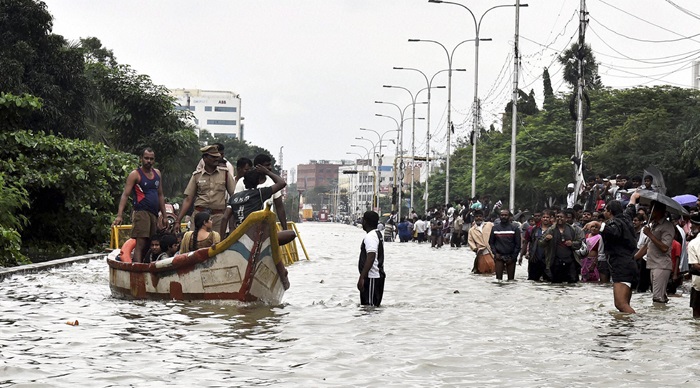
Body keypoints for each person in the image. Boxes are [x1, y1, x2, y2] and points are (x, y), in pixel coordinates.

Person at [113, 148, 167, 263]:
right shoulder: (135, 175)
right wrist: (119, 215)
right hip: (141, 212)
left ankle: (146, 265)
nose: (149, 161)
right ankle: (137, 267)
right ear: (141, 159)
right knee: (140, 243)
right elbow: (125, 195)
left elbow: (160, 195)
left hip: (154, 214)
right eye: (146, 158)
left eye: (151, 159)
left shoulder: (157, 173)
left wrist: (165, 215)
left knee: (151, 243)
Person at [221, 164, 296, 246]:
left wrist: (221, 241)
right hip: (256, 236)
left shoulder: (233, 197)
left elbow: (225, 218)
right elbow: (282, 183)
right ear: (258, 181)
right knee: (291, 234)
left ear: (244, 181)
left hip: (239, 236)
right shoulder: (259, 193)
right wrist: (267, 172)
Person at [585, 200, 639, 313]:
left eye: (605, 210)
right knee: (625, 304)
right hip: (631, 264)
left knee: (620, 304)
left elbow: (614, 232)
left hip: (621, 266)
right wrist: (633, 199)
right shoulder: (627, 218)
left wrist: (599, 225)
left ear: (609, 212)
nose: (604, 212)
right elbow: (630, 210)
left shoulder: (615, 223)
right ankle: (627, 329)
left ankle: (638, 325)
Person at [175, 145, 235, 234]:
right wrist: (178, 221)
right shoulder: (197, 175)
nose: (216, 159)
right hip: (199, 216)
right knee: (195, 243)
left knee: (217, 244)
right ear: (205, 158)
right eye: (213, 157)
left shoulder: (225, 174)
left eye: (217, 157)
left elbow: (234, 195)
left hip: (218, 218)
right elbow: (188, 199)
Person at [234, 154, 288, 231]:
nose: (270, 168)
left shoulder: (272, 182)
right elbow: (235, 207)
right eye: (267, 165)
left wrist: (284, 229)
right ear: (258, 167)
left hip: (267, 227)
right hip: (246, 228)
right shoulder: (243, 181)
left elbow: (279, 207)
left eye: (270, 165)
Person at [640, 201, 675, 304]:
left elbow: (664, 248)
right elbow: (646, 246)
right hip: (652, 264)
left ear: (660, 211)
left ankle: (658, 317)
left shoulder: (667, 226)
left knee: (657, 298)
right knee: (659, 295)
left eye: (652, 209)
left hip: (661, 265)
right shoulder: (653, 225)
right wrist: (633, 258)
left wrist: (650, 234)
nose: (649, 211)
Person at [539, 210, 582, 283]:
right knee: (556, 283)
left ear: (566, 218)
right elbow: (540, 243)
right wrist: (546, 239)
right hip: (555, 261)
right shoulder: (551, 230)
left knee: (573, 281)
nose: (559, 218)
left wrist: (572, 243)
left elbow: (579, 243)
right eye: (557, 217)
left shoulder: (572, 229)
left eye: (561, 217)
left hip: (570, 260)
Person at [357, 211, 386, 307]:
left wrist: (362, 277)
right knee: (371, 308)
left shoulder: (371, 236)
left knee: (369, 308)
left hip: (372, 277)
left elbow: (371, 257)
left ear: (365, 221)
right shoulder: (377, 234)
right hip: (376, 276)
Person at [489, 209, 521, 281]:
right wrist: (495, 253)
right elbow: (491, 243)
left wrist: (513, 257)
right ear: (499, 216)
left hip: (511, 256)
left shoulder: (515, 228)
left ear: (509, 216)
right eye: (502, 215)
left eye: (506, 215)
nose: (504, 217)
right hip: (499, 256)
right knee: (498, 280)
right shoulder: (495, 228)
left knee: (511, 280)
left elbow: (518, 244)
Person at [520, 210, 551, 281]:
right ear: (542, 218)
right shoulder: (533, 230)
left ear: (550, 218)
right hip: (535, 259)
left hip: (548, 260)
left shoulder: (553, 230)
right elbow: (526, 242)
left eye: (547, 217)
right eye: (544, 217)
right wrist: (522, 255)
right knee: (533, 281)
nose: (545, 219)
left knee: (549, 281)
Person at [468, 210, 495, 274]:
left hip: (492, 250)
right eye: (476, 216)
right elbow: (470, 241)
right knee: (482, 271)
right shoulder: (471, 230)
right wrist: (475, 249)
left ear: (483, 217)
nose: (478, 218)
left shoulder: (490, 225)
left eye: (480, 216)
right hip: (481, 252)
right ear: (474, 218)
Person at [685, 214, 700, 318]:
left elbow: (695, 266)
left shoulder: (693, 243)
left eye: (693, 224)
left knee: (696, 317)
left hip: (698, 285)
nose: (690, 226)